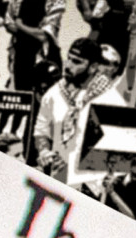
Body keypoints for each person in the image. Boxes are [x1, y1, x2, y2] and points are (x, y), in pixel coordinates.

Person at [33, 38, 127, 184]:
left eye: (77, 62)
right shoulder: (53, 94)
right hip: (55, 180)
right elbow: (41, 131)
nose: (68, 66)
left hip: (91, 188)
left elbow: (121, 157)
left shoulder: (112, 101)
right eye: (69, 58)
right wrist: (44, 151)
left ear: (93, 67)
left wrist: (73, 169)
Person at [3, 0, 65, 93]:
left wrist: (20, 25)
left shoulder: (55, 1)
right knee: (23, 97)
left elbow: (44, 35)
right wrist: (31, 31)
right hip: (20, 56)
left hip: (46, 57)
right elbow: (8, 23)